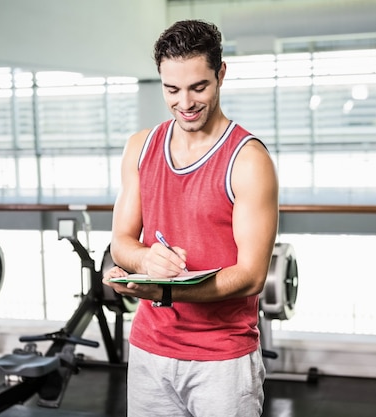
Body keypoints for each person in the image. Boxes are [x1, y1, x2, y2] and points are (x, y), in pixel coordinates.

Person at [104, 19, 279, 417]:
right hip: (150, 350)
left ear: (220, 74)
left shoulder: (249, 161)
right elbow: (122, 243)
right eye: (172, 90)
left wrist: (166, 292)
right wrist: (145, 261)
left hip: (222, 361)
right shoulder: (141, 147)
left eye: (198, 87)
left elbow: (251, 275)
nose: (185, 102)